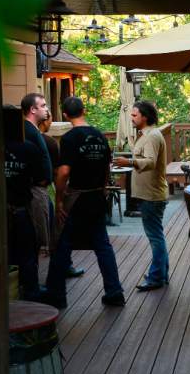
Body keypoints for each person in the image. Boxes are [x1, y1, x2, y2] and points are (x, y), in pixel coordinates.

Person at [43, 96, 125, 309]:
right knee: (102, 245)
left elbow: (63, 172)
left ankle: (56, 295)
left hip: (77, 198)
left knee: (62, 244)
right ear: (84, 110)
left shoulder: (70, 138)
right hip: (97, 196)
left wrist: (59, 200)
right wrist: (104, 187)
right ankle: (114, 292)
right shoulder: (99, 135)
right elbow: (107, 166)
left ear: (65, 115)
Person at [114, 101, 169, 292]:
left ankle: (156, 278)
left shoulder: (152, 136)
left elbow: (151, 162)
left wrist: (129, 161)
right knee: (157, 235)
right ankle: (162, 274)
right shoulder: (145, 135)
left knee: (155, 237)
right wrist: (128, 163)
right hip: (150, 194)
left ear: (145, 117)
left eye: (135, 115)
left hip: (152, 195)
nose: (132, 118)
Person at [2, 105, 43, 301]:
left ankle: (5, 295)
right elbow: (41, 178)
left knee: (3, 254)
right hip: (21, 209)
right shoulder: (29, 149)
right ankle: (31, 295)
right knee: (27, 254)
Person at [40, 109, 85, 278]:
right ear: (46, 121)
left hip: (37, 190)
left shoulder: (36, 139)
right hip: (50, 189)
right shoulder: (50, 143)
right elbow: (61, 171)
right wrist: (61, 196)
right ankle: (63, 267)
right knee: (59, 230)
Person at [20, 93, 52, 258]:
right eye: (43, 106)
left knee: (45, 232)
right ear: (32, 109)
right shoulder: (27, 131)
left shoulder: (33, 130)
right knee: (37, 237)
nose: (47, 109)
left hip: (41, 189)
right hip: (35, 189)